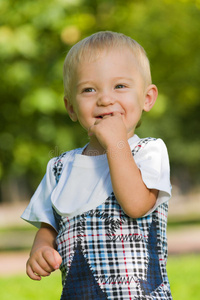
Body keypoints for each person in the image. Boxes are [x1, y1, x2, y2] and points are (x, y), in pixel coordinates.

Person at [21, 31, 172, 299]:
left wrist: (116, 144)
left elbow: (137, 205)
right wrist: (41, 249)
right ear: (71, 107)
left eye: (120, 86)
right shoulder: (59, 168)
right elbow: (49, 227)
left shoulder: (149, 151)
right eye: (89, 89)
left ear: (147, 98)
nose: (104, 99)